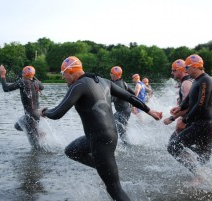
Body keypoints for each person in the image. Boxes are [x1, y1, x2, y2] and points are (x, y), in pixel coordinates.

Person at [39, 56, 162, 201]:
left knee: (114, 189)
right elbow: (130, 97)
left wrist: (44, 112)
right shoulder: (103, 81)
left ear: (70, 71)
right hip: (106, 136)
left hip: (100, 140)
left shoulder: (78, 86)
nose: (63, 78)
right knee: (71, 151)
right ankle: (103, 168)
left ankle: (107, 172)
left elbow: (57, 113)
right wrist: (150, 111)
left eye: (62, 74)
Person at [167, 54, 212, 184]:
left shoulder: (206, 80)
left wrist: (185, 120)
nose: (186, 70)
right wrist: (180, 107)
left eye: (187, 67)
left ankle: (198, 174)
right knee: (202, 156)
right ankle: (208, 181)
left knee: (173, 146)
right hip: (202, 123)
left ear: (195, 66)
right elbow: (189, 99)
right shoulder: (197, 80)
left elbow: (201, 104)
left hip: (203, 124)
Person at [0, 65, 44, 150]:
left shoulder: (22, 82)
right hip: (37, 114)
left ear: (23, 74)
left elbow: (6, 88)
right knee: (18, 125)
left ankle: (38, 135)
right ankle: (38, 132)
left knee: (35, 146)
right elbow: (42, 87)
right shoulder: (36, 83)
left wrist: (3, 75)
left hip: (30, 116)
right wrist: (34, 77)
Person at [164, 59, 193, 134]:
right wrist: (178, 108)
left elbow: (189, 105)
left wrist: (172, 118)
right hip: (190, 121)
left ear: (181, 70)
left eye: (174, 70)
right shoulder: (187, 81)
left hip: (189, 122)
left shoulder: (186, 83)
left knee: (172, 144)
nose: (172, 73)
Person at [110, 66, 135, 144]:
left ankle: (128, 146)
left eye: (111, 73)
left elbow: (113, 99)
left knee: (122, 131)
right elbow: (133, 93)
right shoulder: (123, 82)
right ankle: (113, 141)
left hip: (123, 111)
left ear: (114, 75)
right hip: (126, 110)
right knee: (111, 122)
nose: (110, 74)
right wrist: (132, 105)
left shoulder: (115, 85)